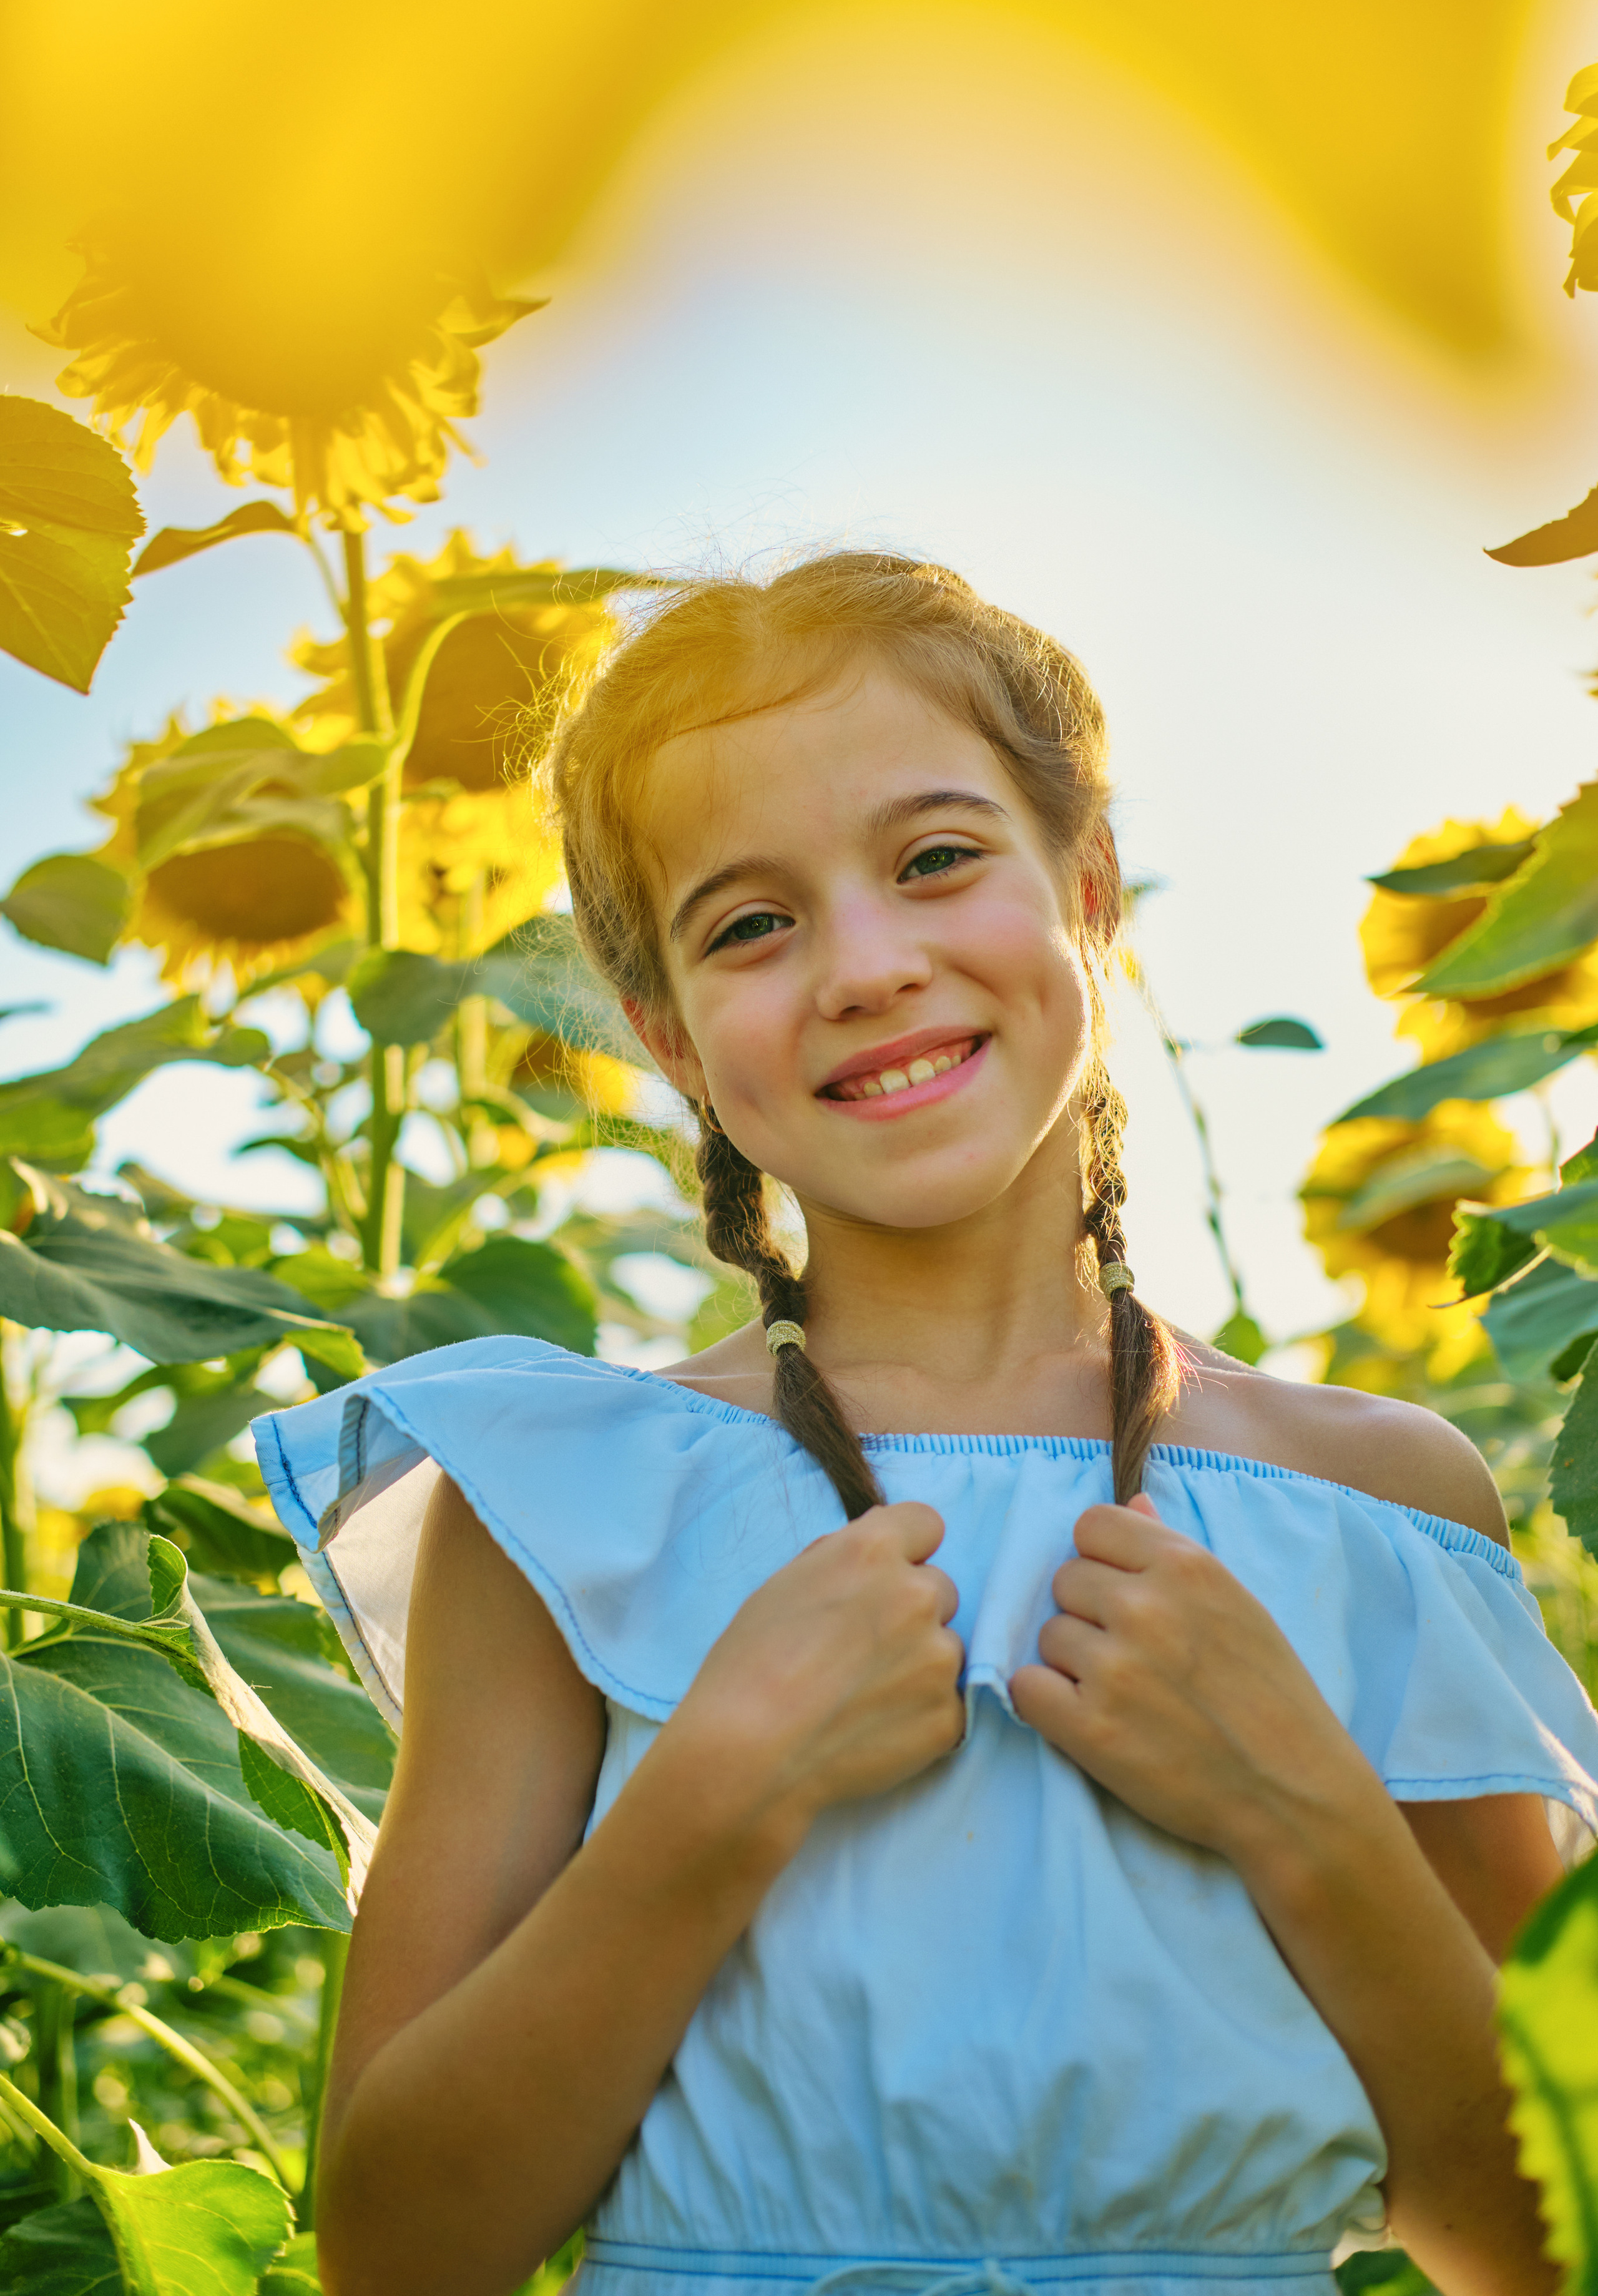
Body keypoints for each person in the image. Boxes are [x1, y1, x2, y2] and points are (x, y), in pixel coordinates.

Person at [256, 554, 1598, 2296]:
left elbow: (1541, 2239)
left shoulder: (1380, 1502)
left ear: (1090, 892)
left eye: (937, 860)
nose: (868, 966)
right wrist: (718, 1791)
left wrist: (1309, 1817)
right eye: (753, 923)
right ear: (670, 1035)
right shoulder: (559, 1511)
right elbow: (398, 2250)